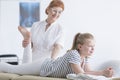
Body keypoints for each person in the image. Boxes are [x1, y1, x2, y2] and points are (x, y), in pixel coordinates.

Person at [0, 32, 114, 78]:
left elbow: (89, 72)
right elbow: (81, 73)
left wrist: (103, 73)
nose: (93, 48)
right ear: (80, 46)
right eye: (90, 46)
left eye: (94, 46)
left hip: (45, 65)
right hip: (44, 66)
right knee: (12, 69)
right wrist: (102, 73)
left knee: (19, 67)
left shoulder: (85, 58)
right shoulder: (74, 54)